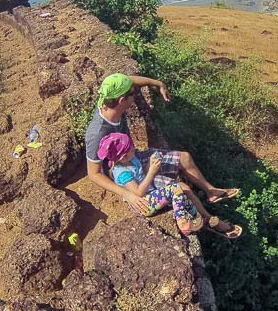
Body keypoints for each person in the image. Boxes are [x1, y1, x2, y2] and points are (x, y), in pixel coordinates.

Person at [85, 73, 242, 237]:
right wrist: (127, 194)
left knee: (185, 157)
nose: (135, 95)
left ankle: (211, 191)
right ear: (122, 101)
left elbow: (130, 80)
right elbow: (94, 174)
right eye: (132, 94)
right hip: (126, 172)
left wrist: (158, 83)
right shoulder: (97, 133)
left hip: (133, 156)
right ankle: (209, 221)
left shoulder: (109, 96)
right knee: (183, 189)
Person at [98, 132, 241, 238]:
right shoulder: (122, 172)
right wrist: (152, 172)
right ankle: (185, 223)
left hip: (151, 193)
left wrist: (149, 165)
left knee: (183, 193)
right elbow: (138, 192)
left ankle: (201, 219)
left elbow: (140, 176)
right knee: (177, 188)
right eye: (130, 148)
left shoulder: (131, 160)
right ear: (122, 157)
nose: (134, 148)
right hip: (144, 203)